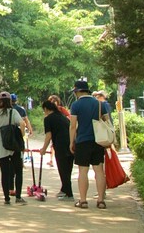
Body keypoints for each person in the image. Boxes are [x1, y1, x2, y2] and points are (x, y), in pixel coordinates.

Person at [69, 80, 112, 209]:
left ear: (77, 91)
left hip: (82, 141)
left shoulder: (76, 105)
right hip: (98, 141)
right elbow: (107, 121)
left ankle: (83, 201)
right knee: (99, 171)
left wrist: (71, 142)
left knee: (83, 171)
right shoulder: (99, 104)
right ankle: (101, 200)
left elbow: (73, 126)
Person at [0, 91, 26, 205]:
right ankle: (18, 197)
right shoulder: (13, 112)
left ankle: (6, 198)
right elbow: (22, 123)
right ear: (10, 101)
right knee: (18, 171)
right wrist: (22, 135)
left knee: (4, 173)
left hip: (0, 146)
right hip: (13, 145)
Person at [39, 99, 74, 200]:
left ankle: (69, 194)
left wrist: (44, 149)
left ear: (46, 109)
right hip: (71, 145)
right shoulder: (63, 117)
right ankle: (64, 189)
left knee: (63, 170)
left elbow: (48, 135)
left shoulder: (48, 119)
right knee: (68, 169)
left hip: (60, 146)